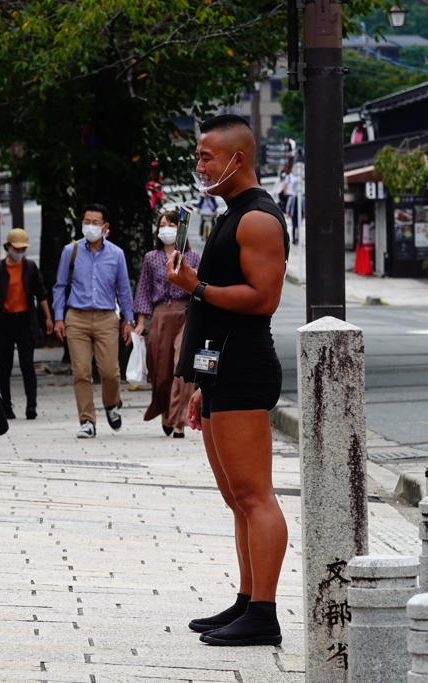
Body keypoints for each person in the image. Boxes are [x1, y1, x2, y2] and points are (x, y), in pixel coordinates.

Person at [166, 114, 289, 647]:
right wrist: (200, 383)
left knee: (255, 495)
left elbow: (264, 298)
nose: (199, 166)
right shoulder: (230, 214)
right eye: (198, 156)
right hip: (219, 369)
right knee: (236, 497)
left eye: (206, 156)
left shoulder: (257, 218)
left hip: (244, 366)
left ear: (237, 158)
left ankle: (264, 614)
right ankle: (246, 599)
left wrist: (195, 286)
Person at [52, 204, 135, 439]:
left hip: (107, 317)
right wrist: (59, 318)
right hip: (76, 317)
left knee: (110, 372)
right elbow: (60, 286)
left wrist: (128, 320)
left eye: (95, 222)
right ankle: (87, 420)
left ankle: (110, 404)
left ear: (105, 226)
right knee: (81, 371)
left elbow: (124, 289)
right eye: (86, 221)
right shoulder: (71, 251)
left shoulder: (116, 254)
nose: (90, 226)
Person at [133, 211, 200, 438]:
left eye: (171, 225)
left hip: (187, 314)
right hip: (160, 314)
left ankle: (179, 420)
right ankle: (165, 409)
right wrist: (140, 323)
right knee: (160, 370)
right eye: (162, 224)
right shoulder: (151, 257)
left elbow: (201, 286)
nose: (166, 229)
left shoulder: (192, 257)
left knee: (181, 366)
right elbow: (143, 289)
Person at [0, 228, 54, 420]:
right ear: (7, 246)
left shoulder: (30, 267)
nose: (20, 252)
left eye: (23, 249)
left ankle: (31, 405)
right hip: (4, 322)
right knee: (5, 366)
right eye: (16, 248)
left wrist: (48, 317)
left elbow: (41, 293)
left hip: (25, 321)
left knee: (27, 363)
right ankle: (6, 405)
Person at [282, 163, 299, 244]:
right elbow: (285, 185)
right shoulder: (289, 177)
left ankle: (297, 238)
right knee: (294, 222)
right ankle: (294, 238)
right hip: (291, 196)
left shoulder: (299, 177)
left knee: (298, 223)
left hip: (297, 197)